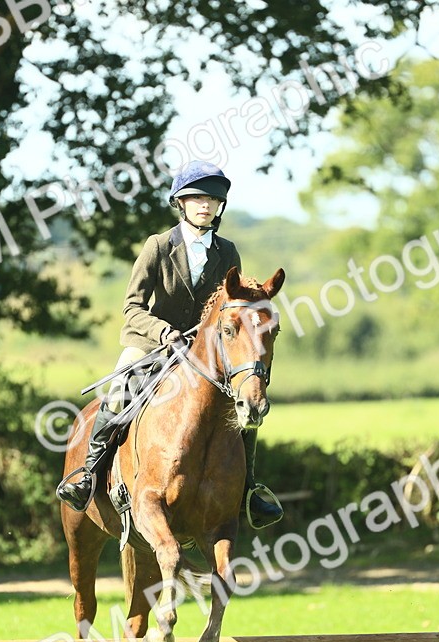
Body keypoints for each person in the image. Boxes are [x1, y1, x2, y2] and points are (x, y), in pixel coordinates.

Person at [55, 160, 284, 529]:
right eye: (197, 199)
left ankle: (249, 490)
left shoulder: (228, 252)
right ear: (181, 202)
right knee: (117, 392)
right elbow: (132, 307)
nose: (205, 206)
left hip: (204, 353)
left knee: (242, 405)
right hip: (152, 343)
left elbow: (230, 309)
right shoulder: (158, 246)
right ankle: (87, 475)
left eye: (212, 200)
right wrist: (163, 333)